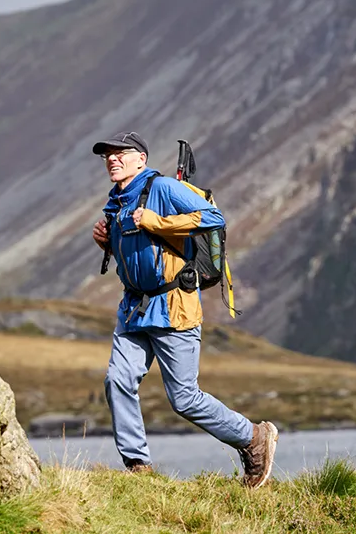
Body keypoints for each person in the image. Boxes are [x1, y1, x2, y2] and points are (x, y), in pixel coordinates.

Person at [89, 131, 277, 488]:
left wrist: (156, 222)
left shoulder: (162, 188)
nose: (112, 159)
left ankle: (253, 438)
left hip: (173, 305)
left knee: (185, 399)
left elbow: (214, 218)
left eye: (120, 154)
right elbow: (136, 248)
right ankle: (137, 465)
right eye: (107, 156)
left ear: (140, 159)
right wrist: (106, 241)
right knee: (118, 379)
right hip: (133, 308)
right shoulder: (117, 200)